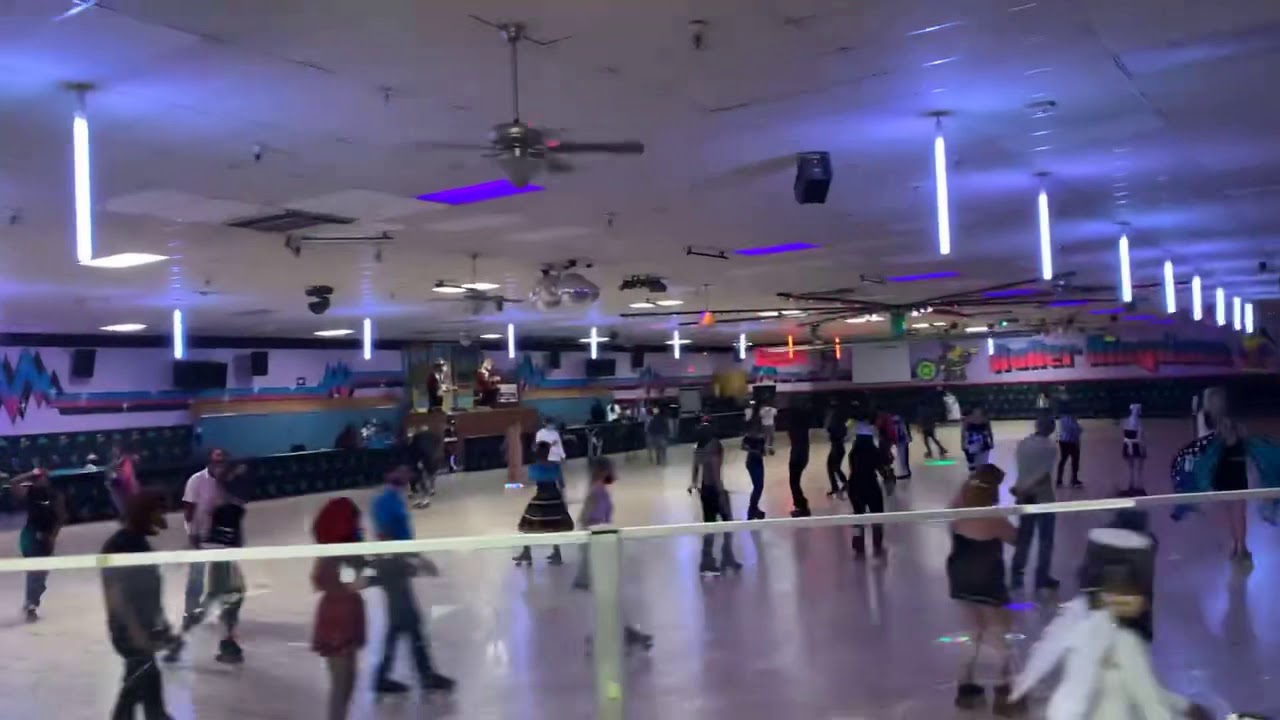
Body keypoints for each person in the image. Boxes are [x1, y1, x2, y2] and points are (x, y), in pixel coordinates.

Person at [1011, 528, 1212, 720]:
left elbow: (1137, 686)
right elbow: (1147, 698)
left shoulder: (1091, 618)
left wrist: (1183, 706)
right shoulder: (1103, 629)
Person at [370, 467, 456, 696]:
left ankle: (394, 675)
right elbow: (386, 535)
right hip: (393, 566)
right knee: (407, 621)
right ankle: (421, 675)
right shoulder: (386, 503)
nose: (409, 475)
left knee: (401, 623)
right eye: (404, 471)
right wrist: (411, 560)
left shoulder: (391, 500)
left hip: (396, 564)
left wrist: (418, 559)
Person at [946, 464, 1019, 713]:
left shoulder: (958, 512)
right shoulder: (993, 518)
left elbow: (953, 507)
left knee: (973, 632)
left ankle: (965, 688)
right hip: (987, 580)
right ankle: (1003, 690)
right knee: (999, 632)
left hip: (960, 578)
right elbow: (1016, 539)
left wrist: (966, 485)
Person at [101, 490, 178, 720]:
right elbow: (117, 595)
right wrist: (135, 632)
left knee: (145, 678)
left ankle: (157, 715)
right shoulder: (119, 545)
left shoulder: (139, 542)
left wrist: (161, 624)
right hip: (128, 629)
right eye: (158, 512)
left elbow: (150, 592)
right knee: (139, 680)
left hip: (143, 626)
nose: (163, 518)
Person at [573, 456, 653, 650]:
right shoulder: (597, 492)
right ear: (602, 471)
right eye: (611, 469)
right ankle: (613, 636)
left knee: (610, 596)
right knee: (607, 596)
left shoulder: (598, 490)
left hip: (601, 547)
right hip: (598, 549)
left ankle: (622, 634)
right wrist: (599, 536)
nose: (614, 473)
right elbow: (585, 519)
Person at [311, 497, 366, 720]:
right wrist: (350, 586)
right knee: (341, 684)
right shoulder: (333, 552)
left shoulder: (345, 549)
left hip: (345, 617)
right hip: (337, 621)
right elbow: (320, 579)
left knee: (348, 682)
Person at [195, 460, 252, 664]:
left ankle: (227, 641)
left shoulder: (230, 504)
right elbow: (210, 533)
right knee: (229, 594)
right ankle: (226, 643)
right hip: (221, 554)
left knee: (226, 595)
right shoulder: (221, 504)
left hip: (224, 554)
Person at [179, 448, 227, 630]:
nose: (219, 464)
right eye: (216, 460)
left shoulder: (227, 482)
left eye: (222, 460)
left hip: (220, 536)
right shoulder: (196, 480)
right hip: (199, 535)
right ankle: (189, 612)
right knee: (196, 577)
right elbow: (189, 510)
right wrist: (192, 534)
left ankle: (218, 609)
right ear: (209, 462)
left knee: (222, 576)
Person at [1010, 415, 1060, 591]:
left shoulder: (1023, 443)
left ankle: (1016, 576)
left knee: (1024, 538)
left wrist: (1020, 488)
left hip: (1024, 497)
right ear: (1052, 429)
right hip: (1043, 499)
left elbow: (1022, 468)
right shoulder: (1050, 447)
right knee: (1045, 540)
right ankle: (1042, 578)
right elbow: (1043, 474)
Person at [14, 468, 64, 622]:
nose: (39, 480)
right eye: (37, 479)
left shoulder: (55, 496)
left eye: (41, 478)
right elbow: (13, 483)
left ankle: (31, 602)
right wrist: (30, 474)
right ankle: (31, 605)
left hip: (46, 538)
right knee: (35, 572)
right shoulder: (29, 493)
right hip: (30, 537)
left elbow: (60, 518)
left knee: (41, 577)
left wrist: (52, 537)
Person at [513, 442, 573, 565]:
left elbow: (526, 484)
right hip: (555, 499)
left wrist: (510, 485)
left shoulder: (534, 468)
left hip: (541, 499)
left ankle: (527, 552)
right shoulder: (555, 466)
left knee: (527, 525)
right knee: (555, 526)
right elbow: (562, 485)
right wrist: (563, 501)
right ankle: (557, 553)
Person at [689, 431, 740, 576]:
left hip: (705, 490)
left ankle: (707, 560)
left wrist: (694, 483)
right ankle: (727, 557)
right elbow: (715, 471)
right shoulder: (715, 445)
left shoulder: (699, 447)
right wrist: (721, 493)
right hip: (715, 491)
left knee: (710, 526)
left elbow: (695, 467)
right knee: (728, 524)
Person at [846, 410, 886, 559]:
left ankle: (858, 543)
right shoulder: (873, 451)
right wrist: (888, 478)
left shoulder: (854, 453)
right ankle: (877, 541)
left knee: (858, 516)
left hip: (855, 485)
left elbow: (853, 468)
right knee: (877, 513)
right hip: (871, 484)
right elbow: (881, 467)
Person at [787, 402, 813, 517]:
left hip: (797, 457)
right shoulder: (803, 427)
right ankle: (800, 504)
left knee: (794, 483)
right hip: (801, 456)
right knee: (794, 482)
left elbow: (795, 442)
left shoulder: (796, 429)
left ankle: (801, 506)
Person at [408, 422, 441, 508]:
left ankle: (424, 499)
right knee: (431, 476)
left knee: (422, 480)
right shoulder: (434, 436)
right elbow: (438, 443)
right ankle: (431, 490)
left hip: (422, 460)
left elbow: (414, 449)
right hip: (433, 458)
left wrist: (418, 461)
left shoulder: (417, 437)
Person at [742, 419, 767, 520]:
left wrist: (764, 452)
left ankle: (754, 508)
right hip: (752, 463)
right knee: (758, 486)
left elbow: (763, 451)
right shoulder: (749, 437)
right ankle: (752, 510)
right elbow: (743, 447)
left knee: (759, 486)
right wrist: (753, 451)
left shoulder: (761, 438)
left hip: (759, 462)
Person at [106, 443, 139, 519]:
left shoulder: (126, 460)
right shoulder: (110, 464)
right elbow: (109, 474)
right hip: (117, 487)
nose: (115, 452)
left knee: (131, 504)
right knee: (122, 507)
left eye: (116, 450)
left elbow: (128, 469)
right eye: (113, 451)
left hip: (128, 485)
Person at [825, 401, 849, 498]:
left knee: (833, 467)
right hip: (839, 446)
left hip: (836, 447)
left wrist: (830, 431)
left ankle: (840, 486)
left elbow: (830, 430)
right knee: (834, 467)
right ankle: (842, 485)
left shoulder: (835, 418)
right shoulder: (840, 419)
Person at [1121, 403, 1146, 494]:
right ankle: (1138, 485)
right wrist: (1143, 448)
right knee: (1139, 466)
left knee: (1130, 466)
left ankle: (1131, 483)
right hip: (1136, 445)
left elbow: (1123, 433)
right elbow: (1140, 437)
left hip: (1127, 445)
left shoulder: (1125, 421)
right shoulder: (1139, 423)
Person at [961, 406, 994, 472]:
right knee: (972, 461)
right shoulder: (967, 419)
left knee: (983, 461)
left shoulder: (985, 419)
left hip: (983, 442)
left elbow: (989, 431)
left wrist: (991, 441)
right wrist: (962, 443)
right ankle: (974, 473)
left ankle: (980, 475)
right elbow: (963, 433)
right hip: (971, 442)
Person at [1056, 409, 1083, 488]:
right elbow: (1076, 431)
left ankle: (1059, 480)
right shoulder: (1071, 420)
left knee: (1063, 460)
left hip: (1063, 441)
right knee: (1075, 461)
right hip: (1071, 442)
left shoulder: (1062, 418)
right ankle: (1074, 480)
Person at [892, 411, 912, 480]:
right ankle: (905, 471)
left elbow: (902, 431)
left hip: (901, 440)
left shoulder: (898, 421)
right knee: (903, 456)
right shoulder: (901, 420)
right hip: (902, 440)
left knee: (903, 456)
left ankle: (905, 472)